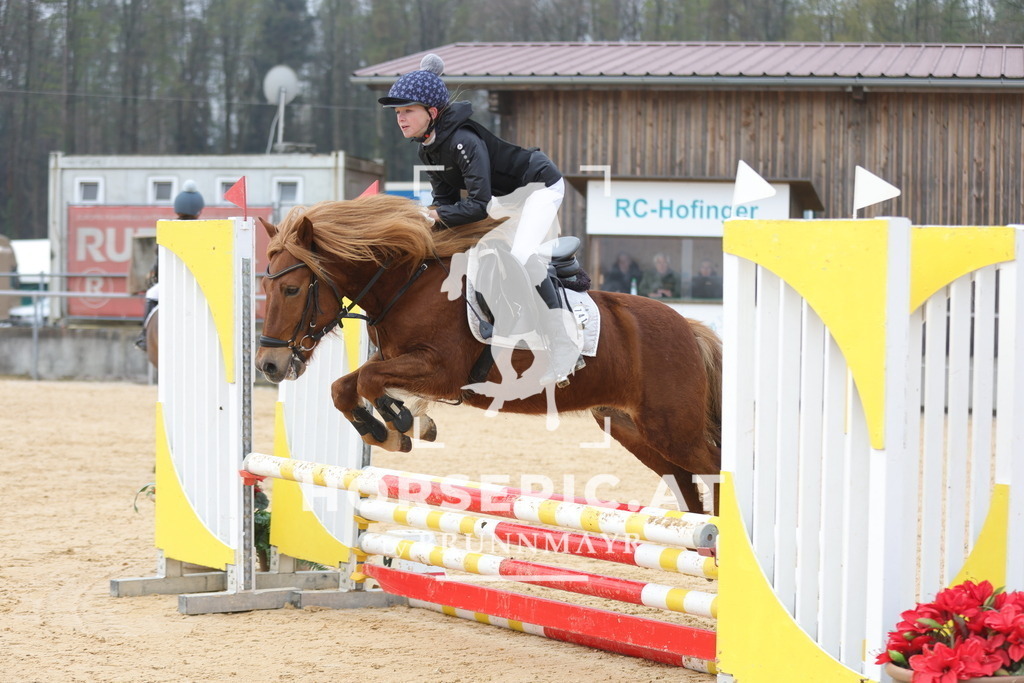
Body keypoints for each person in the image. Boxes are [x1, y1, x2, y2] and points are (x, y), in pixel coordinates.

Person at [380, 54, 579, 387]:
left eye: (408, 111)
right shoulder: (427, 148)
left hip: (538, 187)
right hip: (505, 197)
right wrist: (425, 222)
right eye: (398, 113)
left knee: (522, 255)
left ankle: (564, 346)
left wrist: (430, 216)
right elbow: (443, 201)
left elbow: (477, 207)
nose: (400, 119)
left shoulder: (462, 141)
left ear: (431, 113)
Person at [134, 181, 204, 350]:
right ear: (199, 210)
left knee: (151, 294)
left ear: (177, 208)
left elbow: (160, 262)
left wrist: (155, 274)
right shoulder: (203, 230)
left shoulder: (168, 229)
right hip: (199, 283)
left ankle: (144, 337)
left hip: (172, 283)